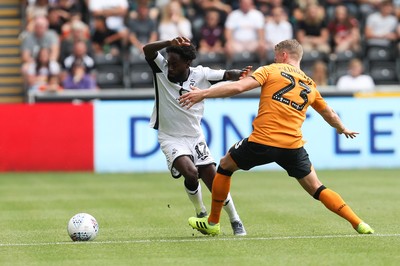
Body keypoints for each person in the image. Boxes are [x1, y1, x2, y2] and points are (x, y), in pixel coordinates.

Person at [180, 39, 374, 236]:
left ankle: (213, 222)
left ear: (284, 55)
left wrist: (204, 93)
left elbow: (238, 88)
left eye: (276, 55)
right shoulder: (310, 84)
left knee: (225, 165)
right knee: (317, 187)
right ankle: (359, 223)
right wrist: (342, 129)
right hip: (293, 146)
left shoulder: (270, 70)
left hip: (262, 141)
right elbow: (329, 114)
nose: (274, 59)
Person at [143, 36, 252, 236]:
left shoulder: (201, 74)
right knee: (191, 173)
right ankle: (201, 212)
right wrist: (169, 43)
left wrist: (240, 74)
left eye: (175, 64)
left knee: (214, 182)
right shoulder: (160, 70)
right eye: (169, 63)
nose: (170, 68)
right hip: (170, 136)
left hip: (195, 137)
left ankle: (235, 220)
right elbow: (147, 49)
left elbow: (227, 74)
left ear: (187, 63)